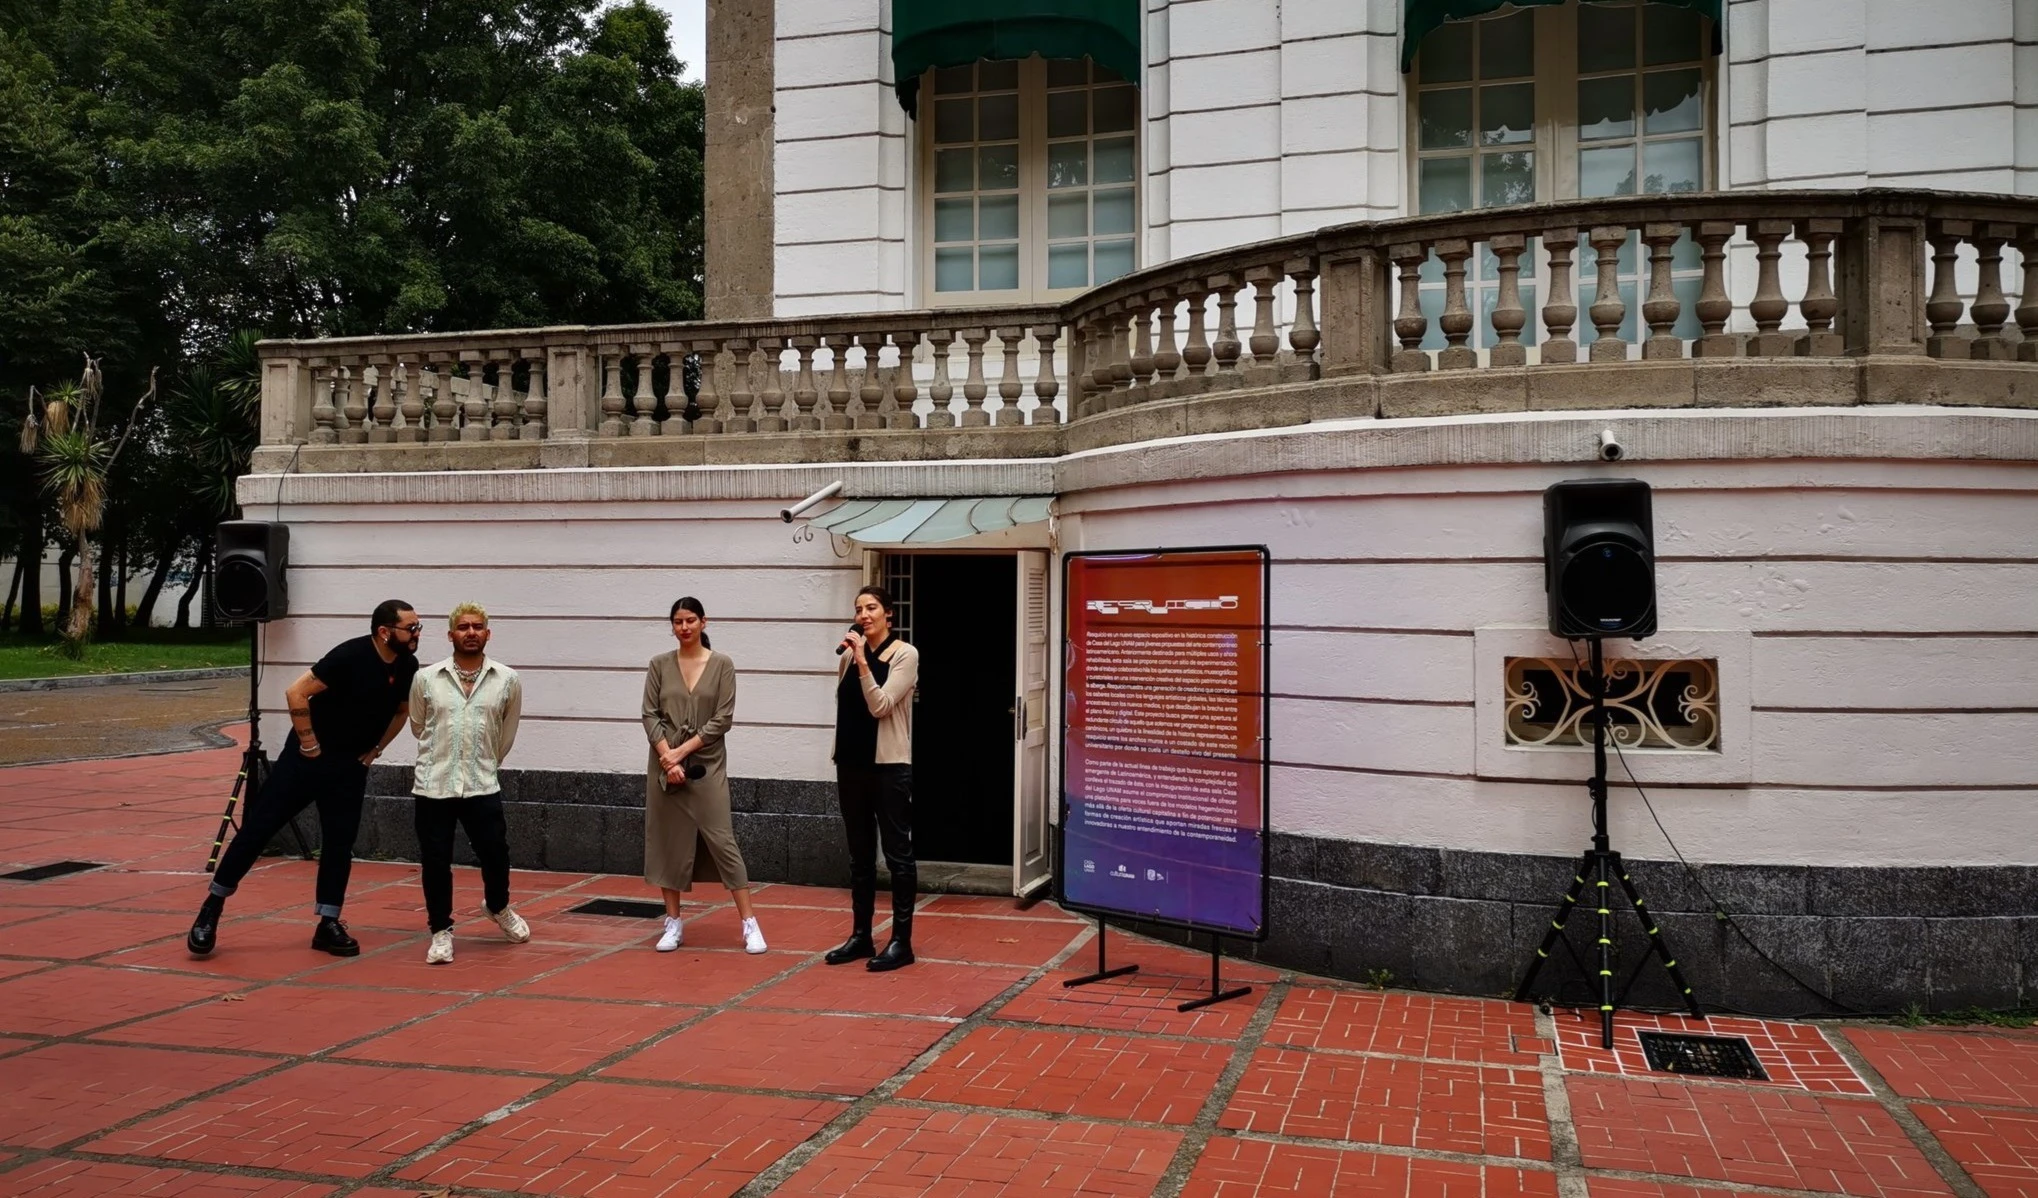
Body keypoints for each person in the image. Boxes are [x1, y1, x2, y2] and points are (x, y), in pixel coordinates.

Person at [188, 599, 421, 958]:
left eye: (417, 627)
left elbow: (402, 710)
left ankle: (328, 922)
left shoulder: (407, 664)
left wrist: (376, 750)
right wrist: (309, 745)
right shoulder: (348, 656)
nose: (416, 634)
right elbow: (296, 691)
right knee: (257, 830)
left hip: (349, 768)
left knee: (339, 845)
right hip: (305, 762)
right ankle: (212, 908)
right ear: (385, 632)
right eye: (411, 628)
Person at [641, 596, 766, 954]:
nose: (684, 627)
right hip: (665, 767)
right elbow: (650, 715)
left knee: (723, 840)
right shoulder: (659, 665)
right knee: (668, 843)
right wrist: (668, 758)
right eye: (678, 621)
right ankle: (673, 922)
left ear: (703, 622)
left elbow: (722, 719)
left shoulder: (722, 664)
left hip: (707, 765)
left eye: (690, 620)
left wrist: (682, 752)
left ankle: (749, 924)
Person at [408, 602, 531, 964]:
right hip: (434, 783)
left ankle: (497, 906)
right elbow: (418, 725)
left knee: (496, 854)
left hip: (481, 783)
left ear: (487, 634)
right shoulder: (426, 678)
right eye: (463, 627)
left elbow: (506, 733)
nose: (471, 633)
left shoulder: (506, 679)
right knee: (435, 861)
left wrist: (488, 763)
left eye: (478, 627)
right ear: (451, 635)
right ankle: (440, 931)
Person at [825, 584, 920, 972]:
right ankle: (861, 935)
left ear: (888, 615)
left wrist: (864, 661)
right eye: (858, 608)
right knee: (859, 857)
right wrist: (857, 658)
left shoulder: (905, 654)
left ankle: (901, 942)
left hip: (888, 769)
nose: (864, 615)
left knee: (897, 855)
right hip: (852, 766)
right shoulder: (848, 657)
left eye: (871, 608)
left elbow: (880, 705)